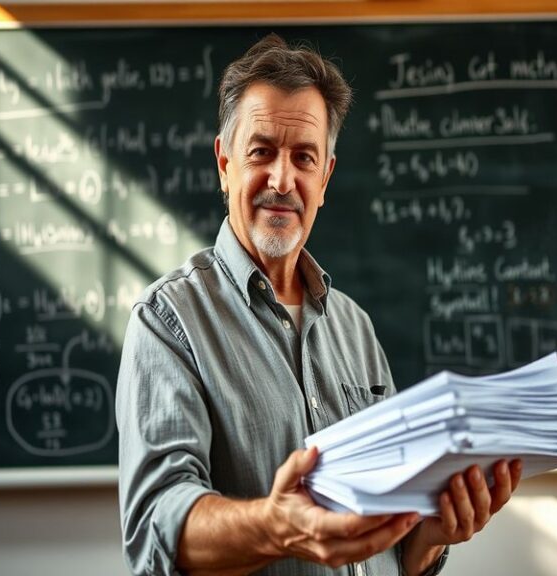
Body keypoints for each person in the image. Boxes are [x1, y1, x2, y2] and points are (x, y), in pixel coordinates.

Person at [116, 33, 522, 576]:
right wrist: (278, 526)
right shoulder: (167, 322)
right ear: (224, 163)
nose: (282, 180)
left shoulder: (356, 329)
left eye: (303, 158)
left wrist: (429, 536)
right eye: (261, 152)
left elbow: (393, 548)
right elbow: (154, 529)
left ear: (325, 177)